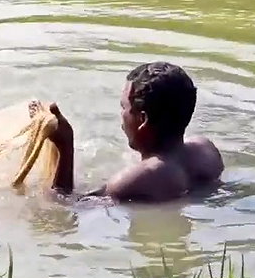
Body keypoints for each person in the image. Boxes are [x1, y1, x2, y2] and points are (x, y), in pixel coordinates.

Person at [39, 61, 223, 203]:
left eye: (123, 107)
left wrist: (65, 146)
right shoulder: (206, 150)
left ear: (142, 120)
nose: (121, 115)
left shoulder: (137, 179)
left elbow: (65, 206)